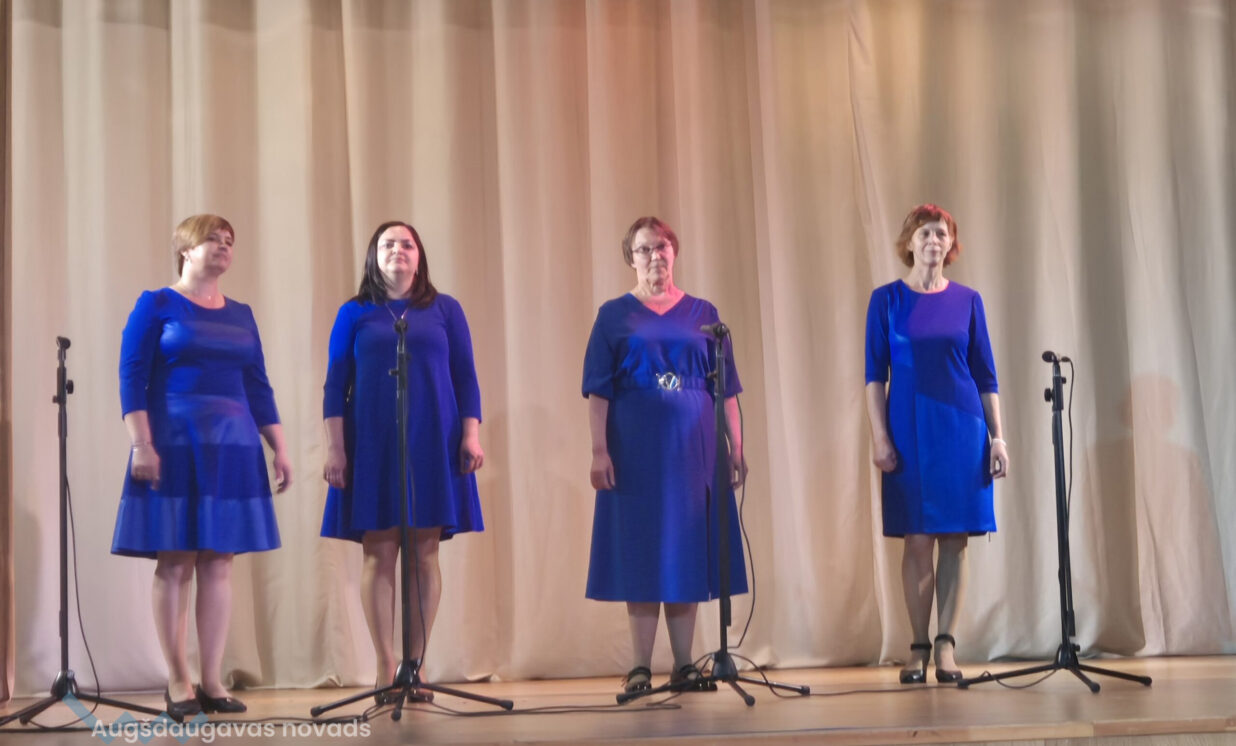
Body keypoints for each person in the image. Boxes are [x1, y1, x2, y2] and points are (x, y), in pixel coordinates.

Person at [112, 214, 292, 721]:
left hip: (233, 447)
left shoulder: (242, 314)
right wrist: (141, 444)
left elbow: (258, 385)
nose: (223, 245)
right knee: (175, 562)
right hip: (174, 443)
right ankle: (178, 679)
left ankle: (212, 680)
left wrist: (278, 447)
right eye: (212, 238)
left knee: (218, 562)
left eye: (229, 240)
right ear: (185, 250)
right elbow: (131, 376)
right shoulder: (156, 304)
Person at [582, 216, 748, 695]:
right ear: (630, 258)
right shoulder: (614, 315)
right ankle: (639, 665)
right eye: (644, 249)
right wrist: (599, 451)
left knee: (685, 547)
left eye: (662, 247)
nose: (655, 256)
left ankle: (683, 663)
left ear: (674, 252)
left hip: (693, 447)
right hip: (634, 446)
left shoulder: (703, 312)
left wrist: (737, 446)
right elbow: (598, 389)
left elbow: (726, 389)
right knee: (641, 548)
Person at [321, 221, 484, 703]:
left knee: (425, 551)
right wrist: (335, 447)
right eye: (388, 244)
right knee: (380, 551)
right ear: (374, 255)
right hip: (371, 440)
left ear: (419, 256)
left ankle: (417, 664)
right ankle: (384, 666)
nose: (397, 250)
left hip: (434, 438)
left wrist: (471, 434)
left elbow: (466, 377)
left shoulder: (445, 309)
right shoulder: (354, 312)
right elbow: (335, 384)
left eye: (406, 244)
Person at [864, 204, 1009, 684]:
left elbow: (985, 376)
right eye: (924, 233)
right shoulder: (886, 301)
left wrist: (997, 437)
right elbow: (874, 376)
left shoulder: (968, 300)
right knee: (917, 539)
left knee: (955, 538)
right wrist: (880, 436)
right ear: (909, 242)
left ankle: (946, 645)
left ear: (951, 244)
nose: (933, 241)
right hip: (908, 428)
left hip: (962, 429)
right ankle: (918, 646)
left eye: (941, 233)